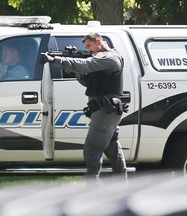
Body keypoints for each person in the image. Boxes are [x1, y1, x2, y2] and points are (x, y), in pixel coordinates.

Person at [41, 33, 128, 180]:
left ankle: (91, 185)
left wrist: (54, 60)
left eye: (89, 45)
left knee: (92, 148)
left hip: (106, 111)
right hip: (104, 110)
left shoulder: (109, 58)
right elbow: (89, 81)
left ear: (98, 41)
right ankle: (122, 183)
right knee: (111, 147)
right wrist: (78, 71)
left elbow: (85, 65)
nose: (88, 50)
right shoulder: (102, 59)